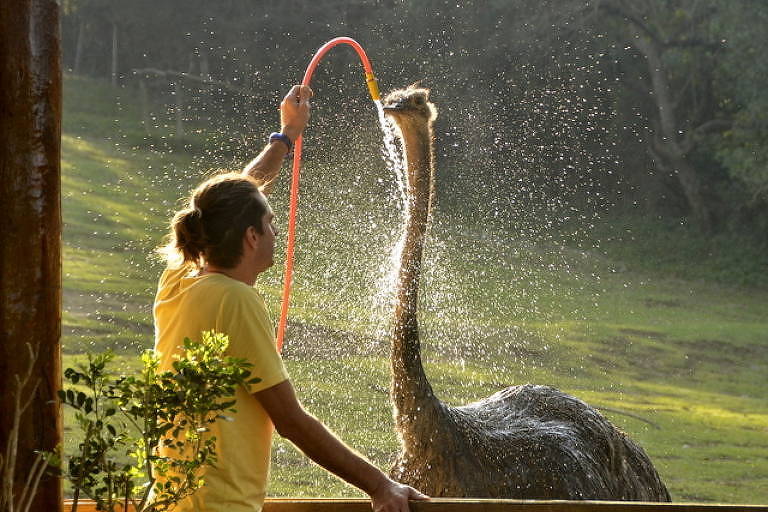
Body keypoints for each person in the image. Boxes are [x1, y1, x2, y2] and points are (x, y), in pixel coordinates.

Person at [153, 85, 428, 512]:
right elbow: (291, 421)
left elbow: (235, 194)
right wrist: (380, 486)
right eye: (270, 222)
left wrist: (286, 136)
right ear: (251, 238)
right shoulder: (236, 303)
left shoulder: (180, 280)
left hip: (170, 501)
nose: (276, 232)